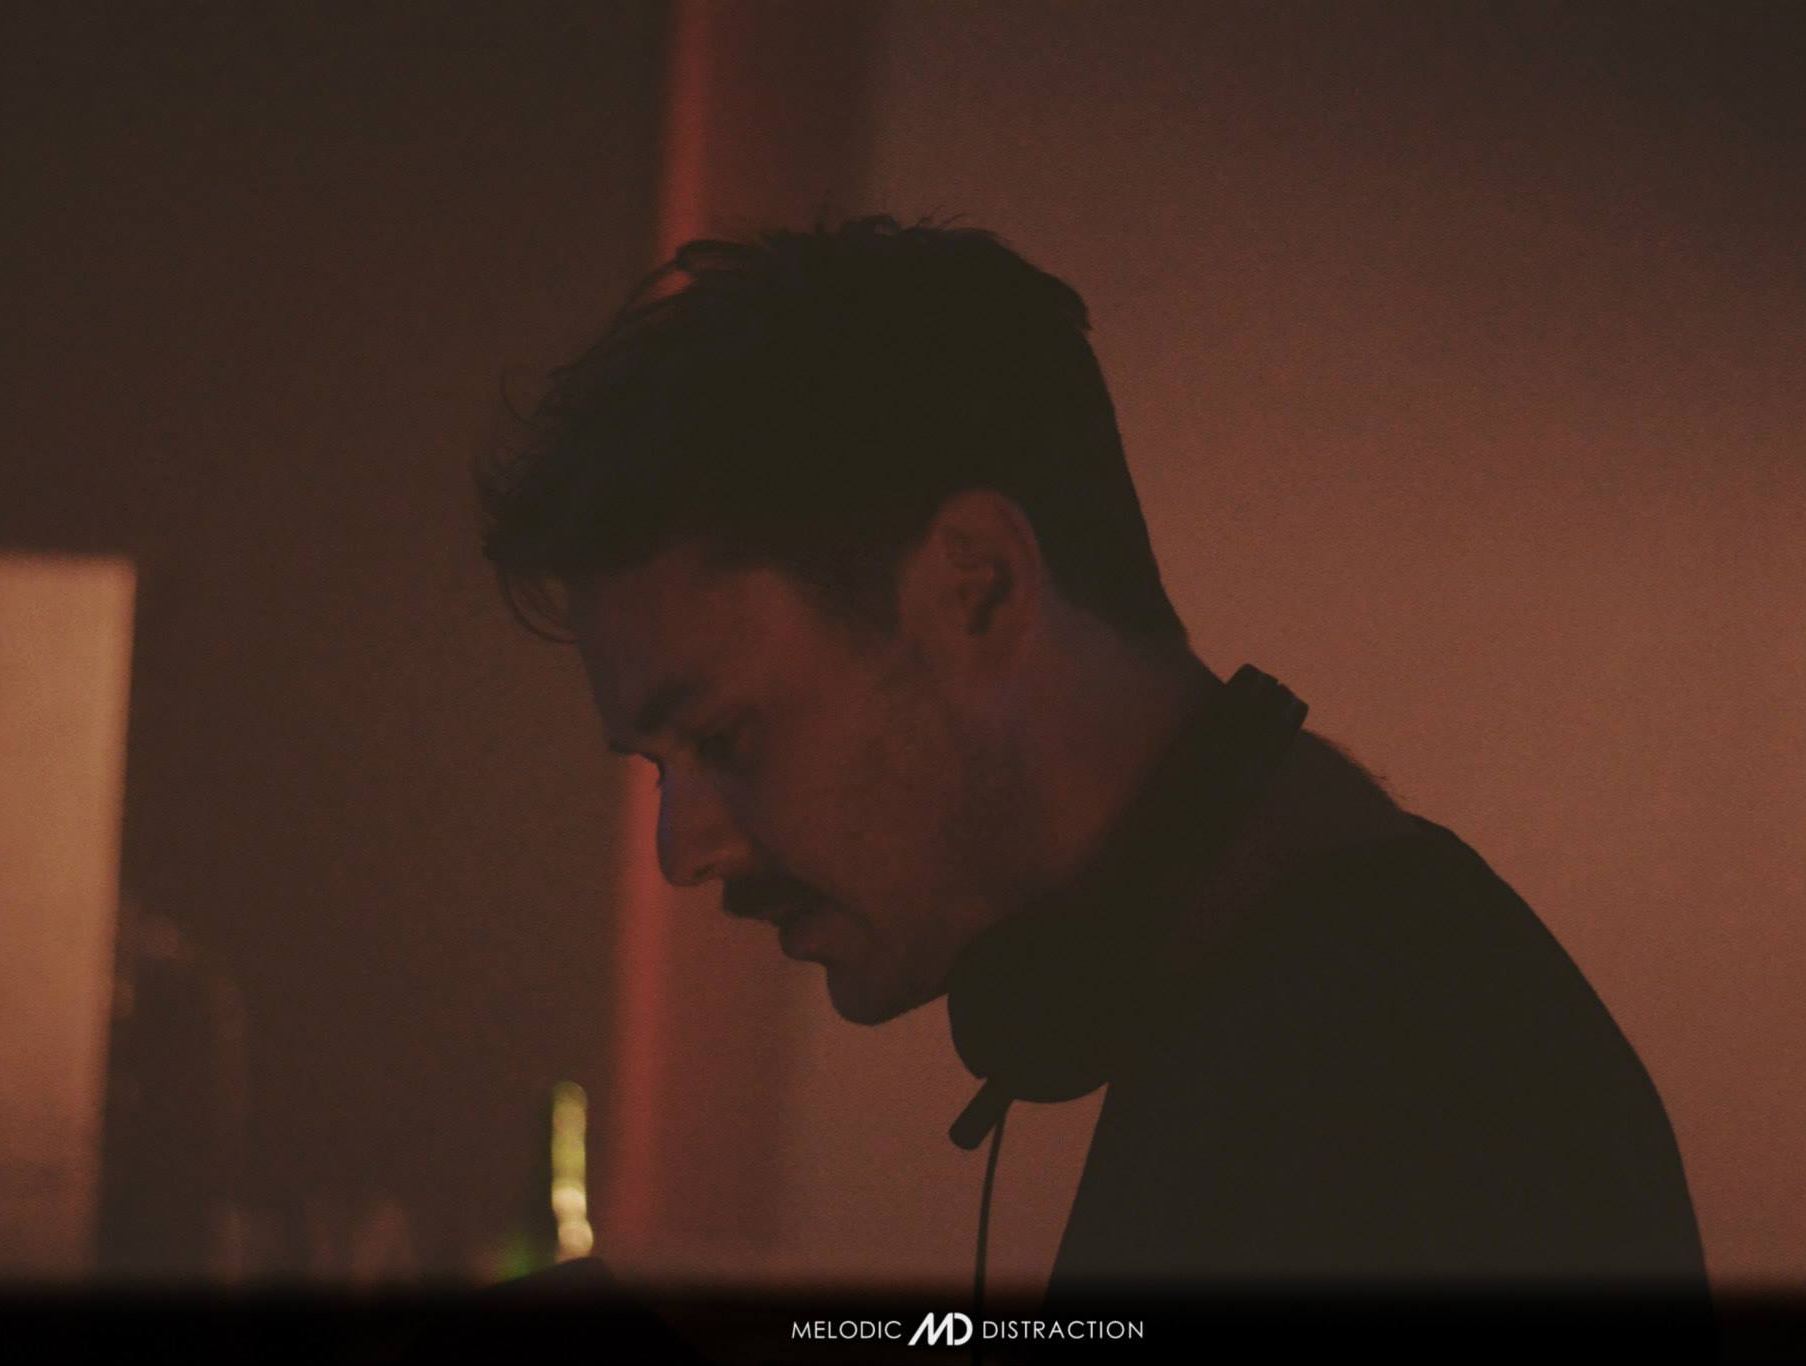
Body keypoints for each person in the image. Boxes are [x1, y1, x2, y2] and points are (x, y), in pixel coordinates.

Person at [474, 216, 1711, 1351]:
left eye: (727, 738)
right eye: (661, 768)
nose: (682, 848)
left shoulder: (1393, 1090)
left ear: (975, 589)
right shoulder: (1300, 1018)